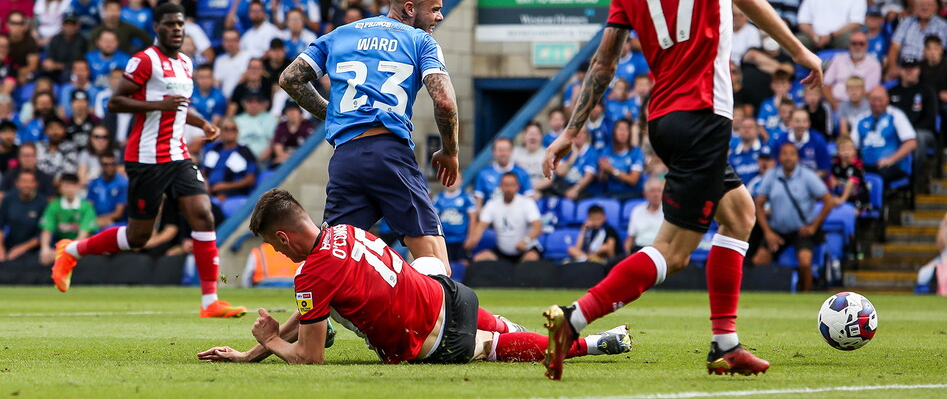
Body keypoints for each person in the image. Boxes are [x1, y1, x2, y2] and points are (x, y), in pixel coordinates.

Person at [539, 0, 822, 380]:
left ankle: (725, 344)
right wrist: (802, 52)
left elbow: (603, 66)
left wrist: (570, 131)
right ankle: (573, 320)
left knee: (739, 215)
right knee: (673, 249)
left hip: (663, 121)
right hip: (702, 115)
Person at [196, 189, 632, 365]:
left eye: (274, 245)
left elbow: (310, 361)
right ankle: (509, 325)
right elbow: (311, 300)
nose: (277, 252)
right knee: (421, 267)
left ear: (284, 236)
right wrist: (248, 355)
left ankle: (592, 344)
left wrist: (272, 341)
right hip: (448, 292)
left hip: (431, 336)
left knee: (491, 348)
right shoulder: (345, 230)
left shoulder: (311, 275)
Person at [50, 3, 247, 318]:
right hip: (145, 158)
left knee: (203, 215)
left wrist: (202, 124)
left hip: (178, 153)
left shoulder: (185, 63)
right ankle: (70, 250)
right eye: (170, 24)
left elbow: (179, 107)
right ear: (157, 27)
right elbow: (115, 102)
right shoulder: (144, 61)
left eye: (180, 24)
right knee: (137, 237)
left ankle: (210, 301)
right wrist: (158, 103)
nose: (177, 29)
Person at [278, 0, 458, 272]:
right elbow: (444, 100)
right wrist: (450, 152)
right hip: (390, 154)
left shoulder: (340, 34)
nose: (439, 17)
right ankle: (445, 320)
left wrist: (332, 113)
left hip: (345, 158)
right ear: (410, 8)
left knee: (331, 264)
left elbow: (290, 78)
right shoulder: (419, 41)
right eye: (435, 9)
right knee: (434, 260)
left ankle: (312, 319)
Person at [752, 142, 834, 292]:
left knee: (804, 262)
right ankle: (767, 294)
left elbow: (828, 201)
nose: (788, 157)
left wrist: (813, 226)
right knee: (758, 261)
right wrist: (768, 232)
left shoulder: (807, 175)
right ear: (779, 157)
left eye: (792, 154)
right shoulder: (771, 175)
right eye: (784, 153)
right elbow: (759, 204)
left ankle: (805, 293)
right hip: (777, 231)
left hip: (801, 231)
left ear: (797, 157)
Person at [468, 172, 543, 263]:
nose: (508, 189)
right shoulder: (492, 204)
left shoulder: (527, 203)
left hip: (525, 250)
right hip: (502, 251)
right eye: (505, 185)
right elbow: (481, 226)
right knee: (478, 260)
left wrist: (525, 241)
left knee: (531, 259)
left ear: (517, 186)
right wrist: (473, 240)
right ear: (500, 186)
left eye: (512, 185)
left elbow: (538, 227)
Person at [852, 86, 918, 184]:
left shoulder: (896, 115)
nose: (876, 103)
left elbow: (911, 143)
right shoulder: (861, 119)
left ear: (887, 99)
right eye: (873, 99)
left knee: (880, 174)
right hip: (866, 165)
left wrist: (890, 160)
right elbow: (853, 144)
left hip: (891, 166)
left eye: (880, 99)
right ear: (868, 100)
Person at [39, 173, 97, 266]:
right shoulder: (54, 206)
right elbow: (46, 230)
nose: (69, 189)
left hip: (82, 248)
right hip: (60, 246)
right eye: (66, 186)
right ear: (60, 187)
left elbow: (83, 236)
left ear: (78, 187)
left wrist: (60, 254)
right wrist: (44, 249)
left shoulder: (86, 207)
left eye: (72, 186)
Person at [888, 0, 947, 76]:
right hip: (903, 68)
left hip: (927, 70)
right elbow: (895, 47)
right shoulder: (906, 22)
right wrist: (893, 67)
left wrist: (915, 71)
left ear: (935, 8)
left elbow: (938, 52)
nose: (925, 7)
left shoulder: (942, 25)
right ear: (916, 7)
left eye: (929, 4)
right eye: (921, 4)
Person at [201, 118, 258, 202]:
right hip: (208, 193)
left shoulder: (245, 151)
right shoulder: (214, 149)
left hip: (233, 194)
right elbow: (203, 172)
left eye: (233, 129)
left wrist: (226, 186)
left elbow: (250, 180)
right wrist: (205, 183)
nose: (230, 132)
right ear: (220, 133)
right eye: (226, 129)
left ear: (238, 132)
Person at [921, 35, 947, 153]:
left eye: (935, 48)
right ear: (924, 50)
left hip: (946, 103)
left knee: (946, 110)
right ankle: (929, 147)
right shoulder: (920, 67)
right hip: (926, 103)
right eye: (929, 49)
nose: (932, 52)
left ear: (941, 50)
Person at [0, 170, 46, 266]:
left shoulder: (42, 203)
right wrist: (0, 247)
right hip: (10, 247)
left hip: (33, 250)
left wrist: (22, 248)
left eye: (30, 182)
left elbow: (43, 233)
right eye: (24, 181)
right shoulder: (8, 199)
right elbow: (1, 225)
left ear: (35, 184)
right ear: (17, 183)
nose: (27, 185)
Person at [474, 137, 533, 209]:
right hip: (490, 216)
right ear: (493, 152)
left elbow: (529, 199)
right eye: (500, 150)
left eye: (506, 150)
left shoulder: (522, 173)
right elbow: (478, 201)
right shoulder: (483, 173)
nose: (503, 153)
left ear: (511, 151)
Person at [433, 173, 476, 266]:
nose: (451, 182)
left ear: (461, 181)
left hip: (461, 240)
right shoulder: (438, 198)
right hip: (444, 240)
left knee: (463, 263)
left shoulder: (466, 198)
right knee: (444, 264)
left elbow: (473, 218)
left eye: (455, 179)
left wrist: (471, 237)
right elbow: (433, 219)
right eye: (447, 178)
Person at [87, 153, 128, 229]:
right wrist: (92, 219)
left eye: (113, 164)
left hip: (117, 222)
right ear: (101, 165)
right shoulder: (94, 182)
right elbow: (89, 206)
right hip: (96, 219)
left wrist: (100, 219)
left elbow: (118, 213)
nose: (110, 167)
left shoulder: (123, 183)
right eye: (106, 164)